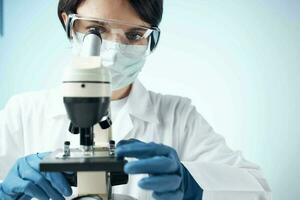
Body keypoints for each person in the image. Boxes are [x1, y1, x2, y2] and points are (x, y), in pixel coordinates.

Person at [0, 0, 271, 199]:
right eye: (96, 30)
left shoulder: (178, 115)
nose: (115, 50)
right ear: (68, 23)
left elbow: (257, 189)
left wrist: (192, 184)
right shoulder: (22, 113)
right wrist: (4, 192)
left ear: (150, 39)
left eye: (134, 35)